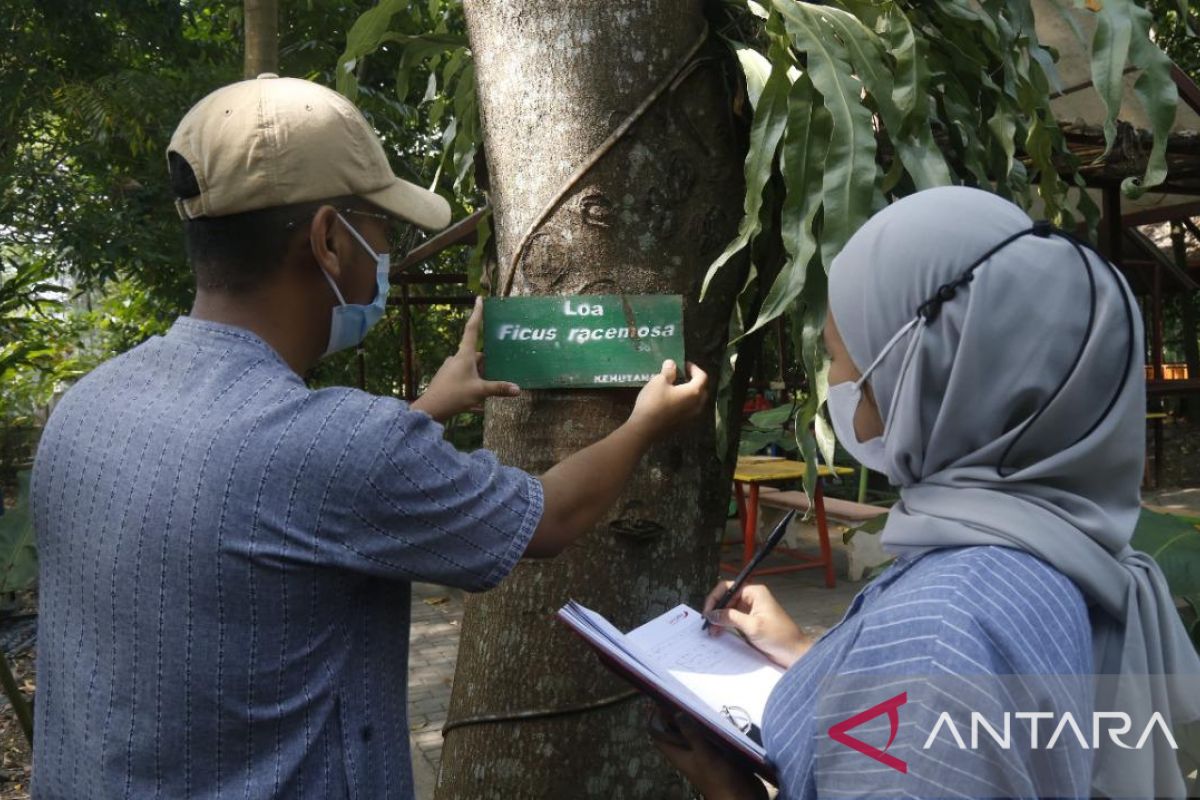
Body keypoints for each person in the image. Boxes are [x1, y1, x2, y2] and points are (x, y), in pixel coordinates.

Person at [29, 75, 708, 798]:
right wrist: (645, 423)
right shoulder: (336, 446)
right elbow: (549, 519)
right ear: (328, 239)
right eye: (380, 225)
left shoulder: (86, 408)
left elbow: (268, 495)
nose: (386, 249)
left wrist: (431, 404)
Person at [652, 187, 1200, 799]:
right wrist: (811, 656)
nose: (834, 382)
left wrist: (732, 792)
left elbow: (934, 695)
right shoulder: (1041, 552)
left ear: (926, 370)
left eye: (838, 356)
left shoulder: (946, 624)